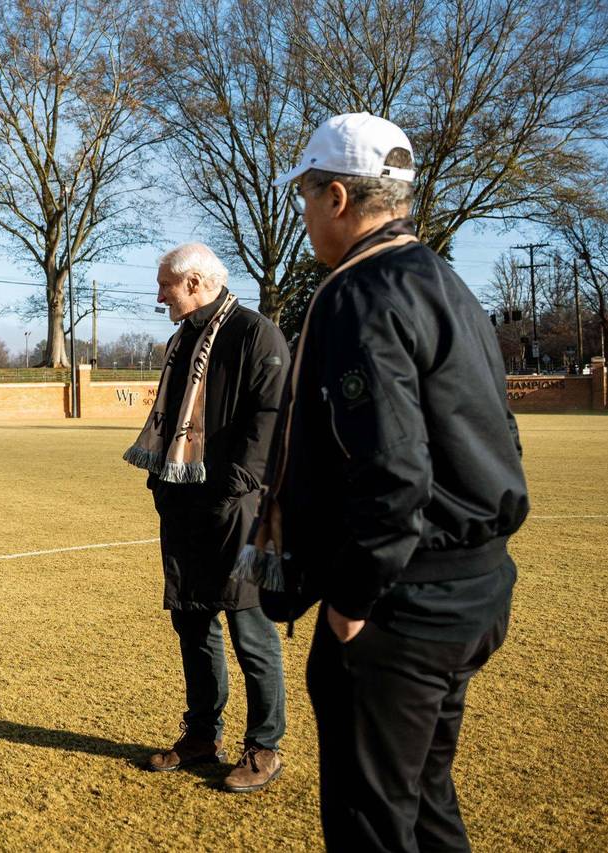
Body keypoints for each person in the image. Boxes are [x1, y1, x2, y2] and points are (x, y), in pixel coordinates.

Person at [265, 113, 529, 849]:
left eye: (307, 196)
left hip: (404, 604)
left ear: (338, 198)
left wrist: (353, 600)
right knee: (426, 803)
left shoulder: (362, 292)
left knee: (372, 824)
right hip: (474, 585)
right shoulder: (445, 279)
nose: (305, 214)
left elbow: (393, 469)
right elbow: (501, 430)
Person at [124, 243, 291, 793]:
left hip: (244, 508)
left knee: (251, 625)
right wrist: (162, 484)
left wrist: (236, 483)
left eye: (165, 285)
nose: (159, 296)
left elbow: (272, 415)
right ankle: (202, 735)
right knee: (192, 622)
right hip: (184, 501)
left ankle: (264, 746)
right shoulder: (182, 339)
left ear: (193, 282)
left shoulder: (255, 333)